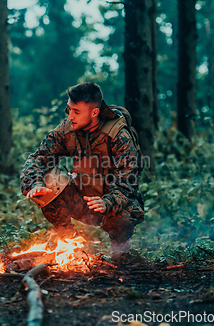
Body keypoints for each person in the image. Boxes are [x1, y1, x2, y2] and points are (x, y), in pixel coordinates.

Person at [20, 82, 144, 261]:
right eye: (69, 109)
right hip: (81, 199)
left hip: (109, 204)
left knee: (124, 212)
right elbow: (39, 158)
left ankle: (121, 251)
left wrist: (108, 201)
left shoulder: (118, 135)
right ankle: (70, 245)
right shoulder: (67, 128)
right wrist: (35, 183)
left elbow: (128, 182)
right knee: (47, 180)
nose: (70, 116)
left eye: (76, 111)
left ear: (95, 112)